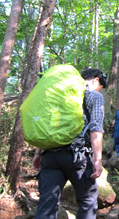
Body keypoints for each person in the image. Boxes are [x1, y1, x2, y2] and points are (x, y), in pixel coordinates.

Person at [32, 68, 106, 218]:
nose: (99, 90)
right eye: (100, 87)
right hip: (77, 157)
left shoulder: (57, 96)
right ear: (95, 79)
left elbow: (47, 127)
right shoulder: (93, 95)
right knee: (87, 202)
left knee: (47, 203)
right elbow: (96, 129)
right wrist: (98, 160)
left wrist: (38, 153)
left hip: (50, 155)